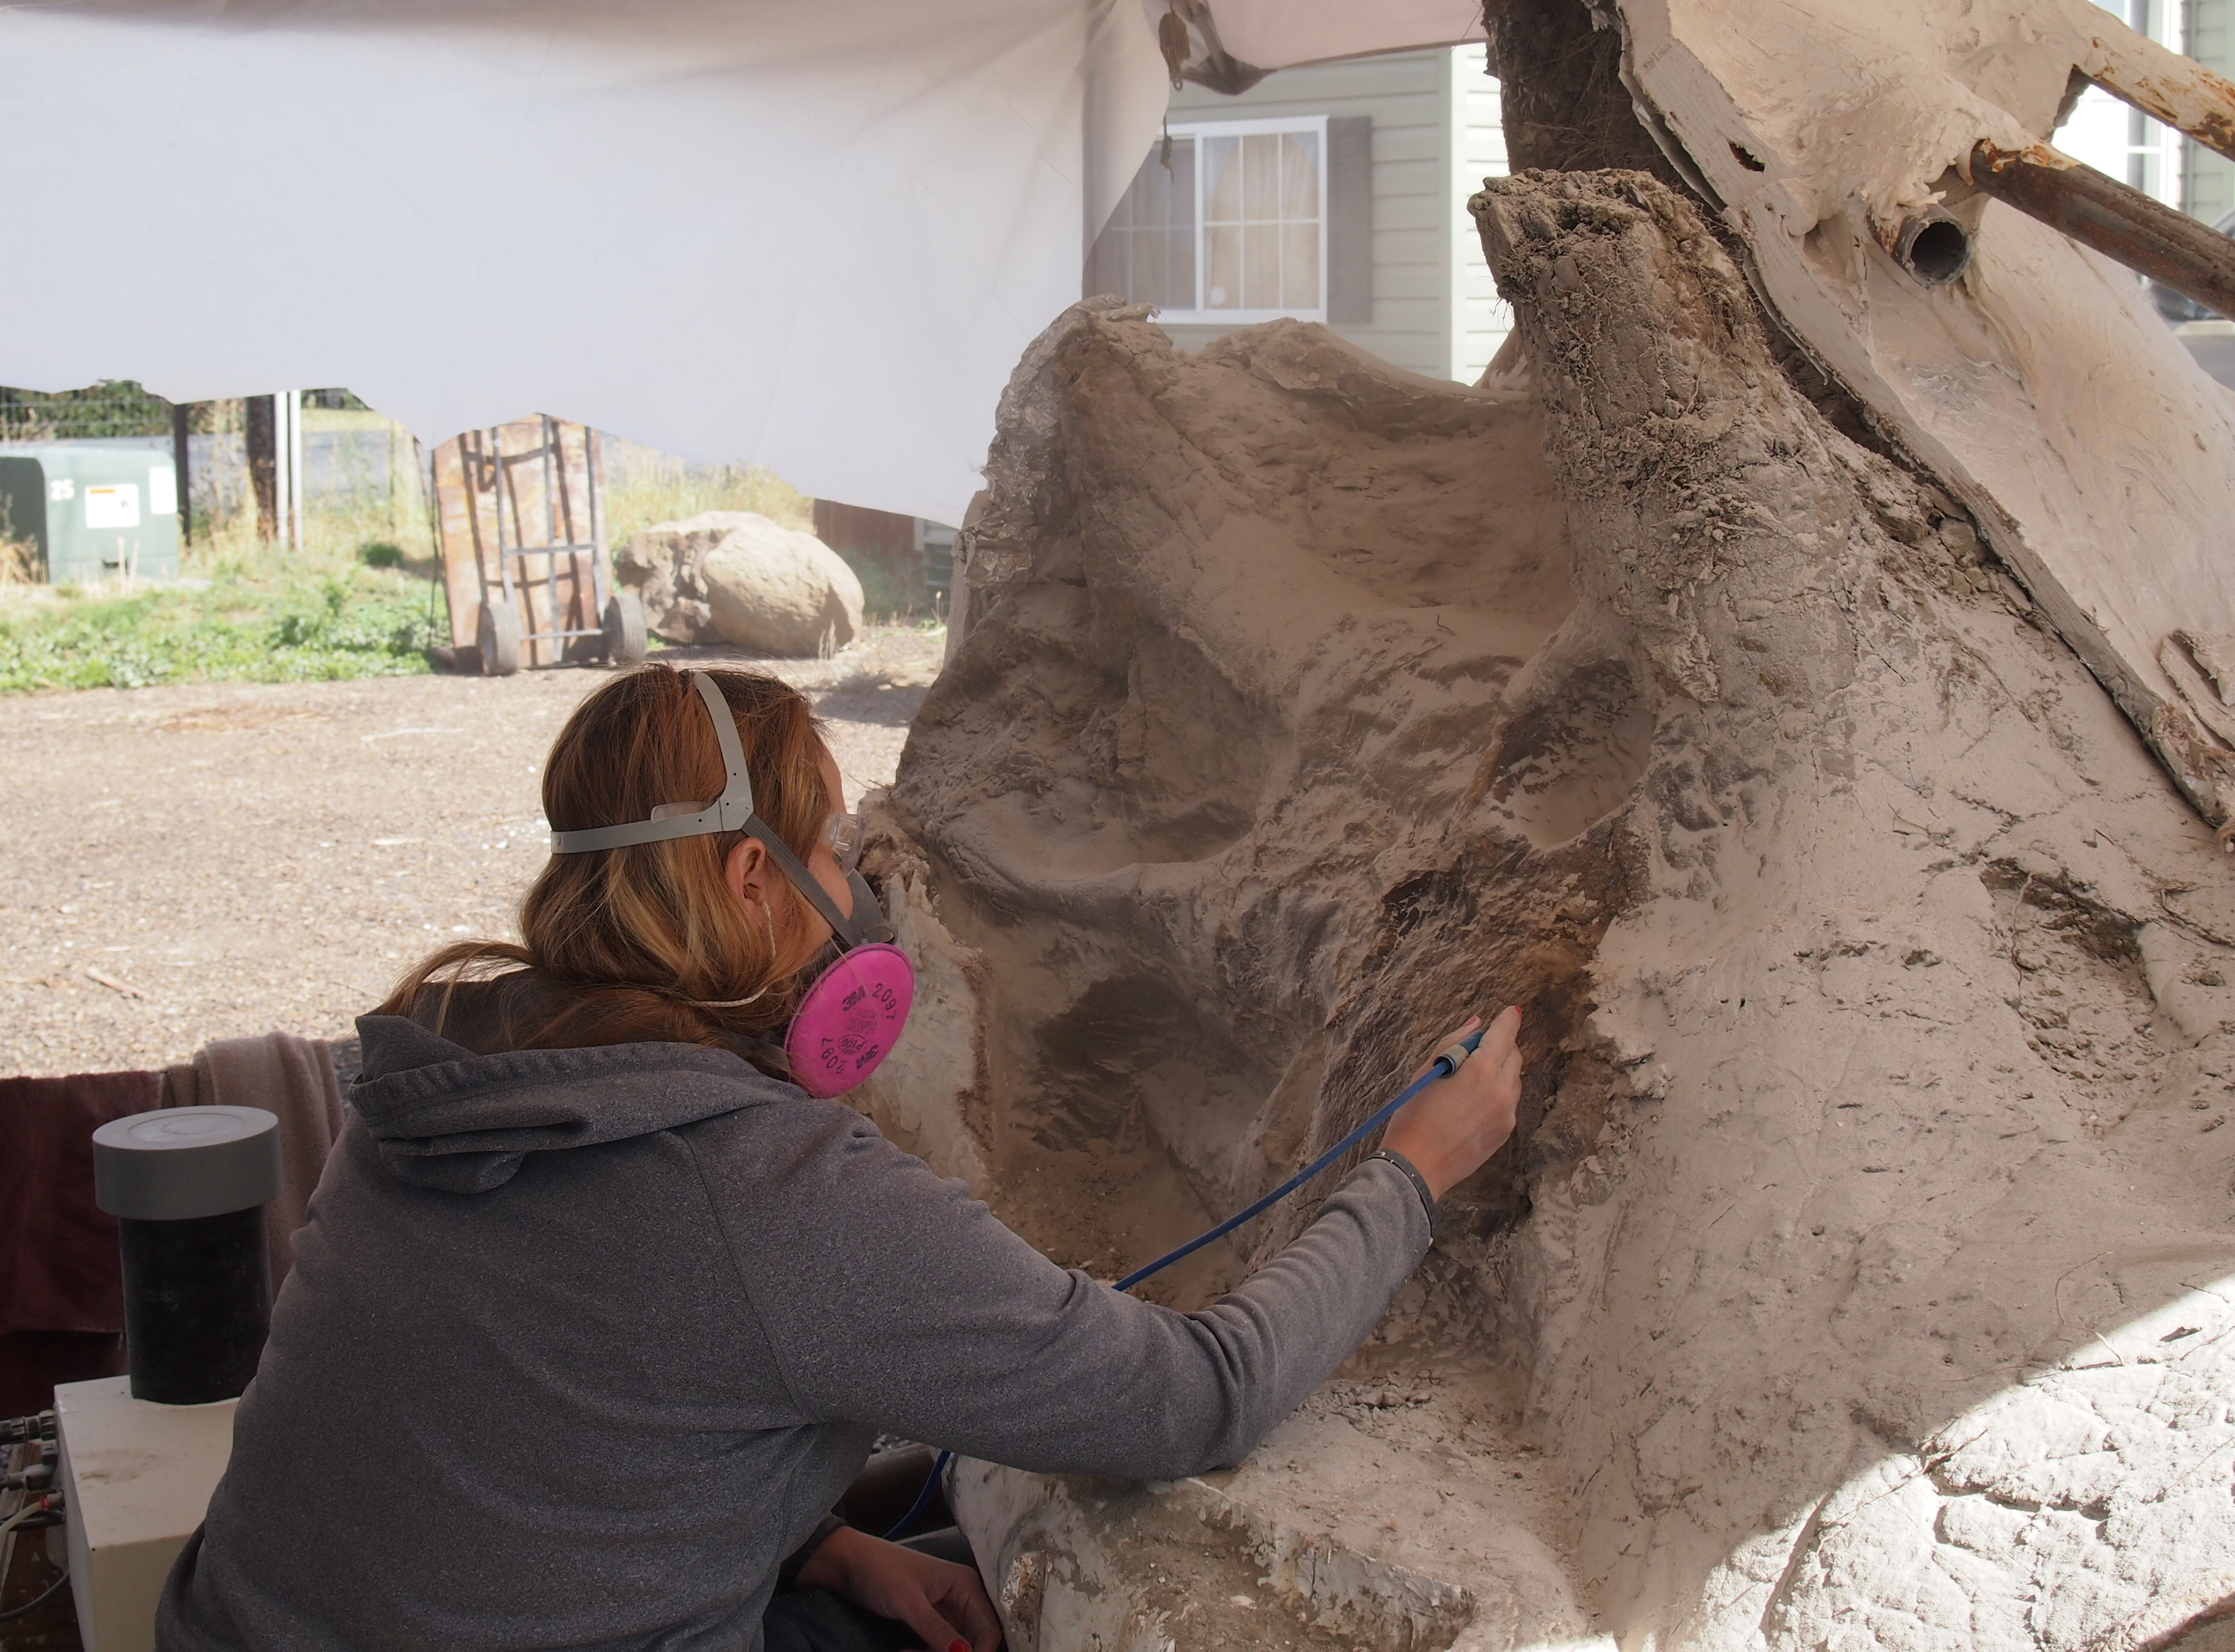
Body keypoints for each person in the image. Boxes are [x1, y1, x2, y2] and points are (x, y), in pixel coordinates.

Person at [156, 663, 1525, 1652]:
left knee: (932, 1565)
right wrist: (1411, 1170)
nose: (852, 898)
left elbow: (534, 1441)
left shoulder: (432, 1086)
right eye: (827, 850)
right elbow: (1198, 1396)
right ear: (752, 882)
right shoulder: (767, 1189)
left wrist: (813, 1544)